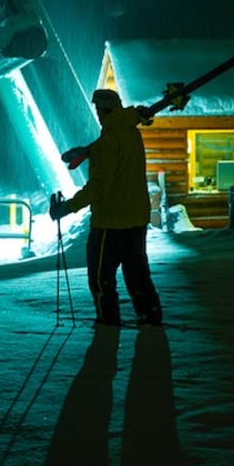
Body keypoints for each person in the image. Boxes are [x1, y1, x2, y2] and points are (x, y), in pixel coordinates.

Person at [51, 89, 163, 327]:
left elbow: (98, 188)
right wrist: (88, 151)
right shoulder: (132, 134)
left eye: (97, 110)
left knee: (101, 279)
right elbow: (117, 159)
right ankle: (150, 316)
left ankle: (107, 323)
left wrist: (67, 207)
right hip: (135, 220)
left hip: (109, 223)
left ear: (101, 110)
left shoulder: (107, 142)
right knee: (137, 275)